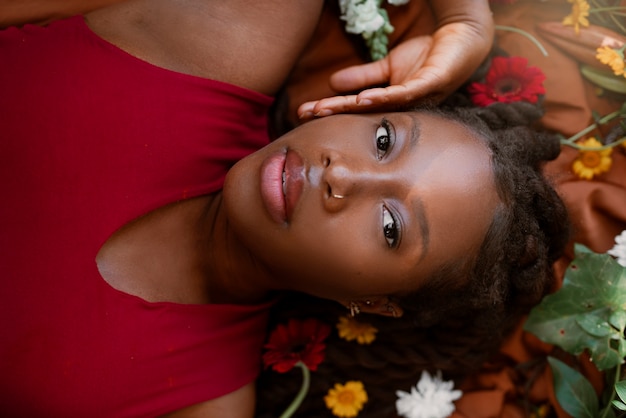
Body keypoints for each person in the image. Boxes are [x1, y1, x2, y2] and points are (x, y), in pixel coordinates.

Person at [0, 0, 569, 417]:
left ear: (371, 303)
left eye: (391, 226)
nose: (340, 174)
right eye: (382, 141)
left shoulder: (192, 403)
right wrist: (463, 20)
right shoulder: (235, 27)